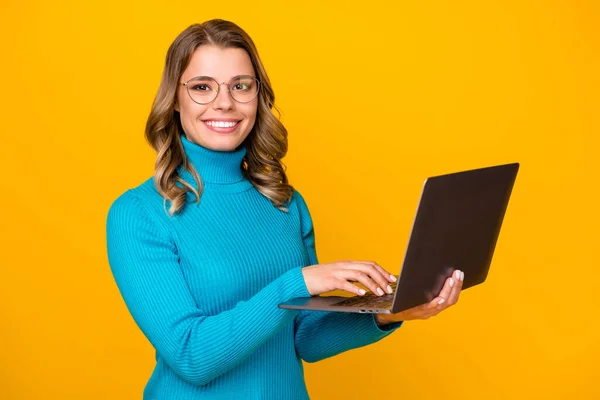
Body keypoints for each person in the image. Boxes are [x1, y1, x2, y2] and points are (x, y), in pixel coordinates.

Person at [106, 19, 464, 400]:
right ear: (174, 100)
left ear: (258, 96)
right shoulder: (139, 214)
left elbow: (304, 337)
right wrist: (297, 282)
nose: (224, 102)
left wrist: (389, 313)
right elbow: (192, 356)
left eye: (240, 86)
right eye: (202, 87)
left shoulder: (285, 203)